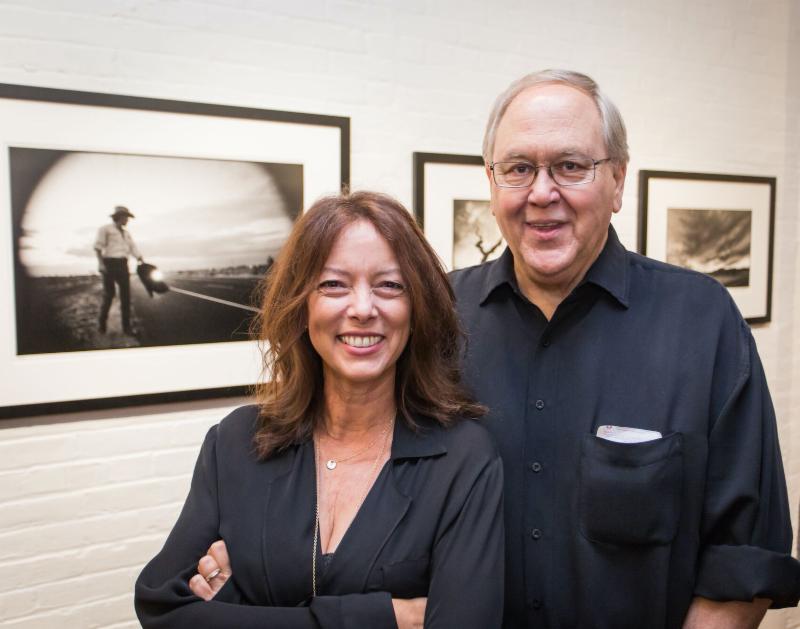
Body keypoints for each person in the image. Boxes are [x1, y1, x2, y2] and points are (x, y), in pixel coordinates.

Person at [450, 69, 800, 628]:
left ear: (617, 181)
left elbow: (743, 561)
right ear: (491, 184)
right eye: (518, 168)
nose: (543, 193)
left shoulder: (703, 323)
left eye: (570, 166)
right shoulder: (438, 319)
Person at [134, 191, 504, 628]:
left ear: (416, 306)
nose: (363, 309)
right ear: (301, 304)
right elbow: (162, 609)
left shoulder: (464, 458)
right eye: (333, 284)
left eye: (389, 285)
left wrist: (238, 607)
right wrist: (386, 617)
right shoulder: (237, 441)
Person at [94, 205, 143, 335]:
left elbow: (133, 247)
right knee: (109, 295)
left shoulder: (127, 234)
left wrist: (139, 257)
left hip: (123, 264)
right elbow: (98, 248)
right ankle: (102, 325)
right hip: (109, 264)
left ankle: (126, 328)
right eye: (126, 217)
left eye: (128, 218)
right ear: (119, 217)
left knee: (126, 297)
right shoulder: (105, 229)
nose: (128, 220)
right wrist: (101, 264)